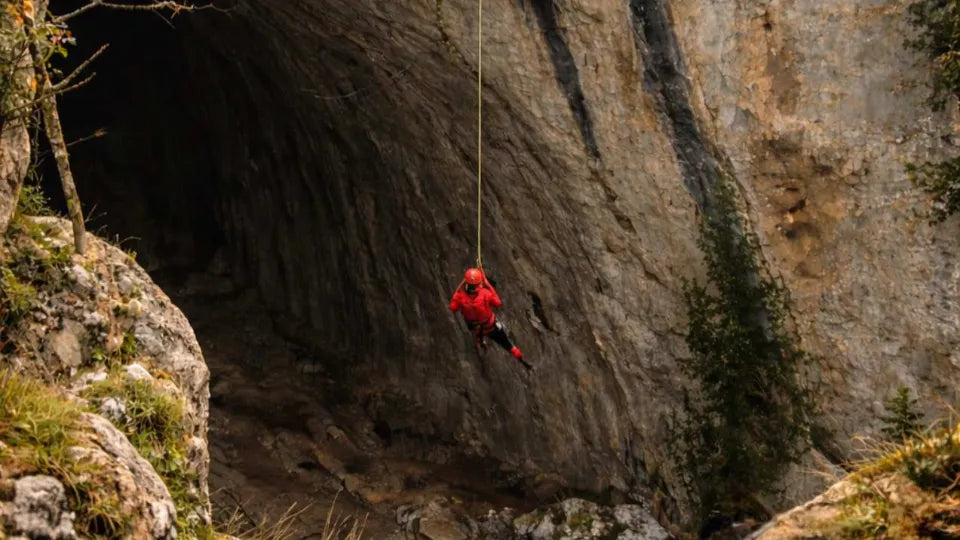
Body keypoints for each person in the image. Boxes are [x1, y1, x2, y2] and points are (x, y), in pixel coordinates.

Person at [449, 268, 530, 369]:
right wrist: (487, 283)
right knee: (508, 345)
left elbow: (452, 307)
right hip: (491, 326)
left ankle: (480, 346)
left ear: (467, 283)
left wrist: (461, 284)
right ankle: (522, 360)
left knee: (477, 336)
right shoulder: (484, 293)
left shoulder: (460, 297)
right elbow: (498, 303)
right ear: (479, 283)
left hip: (475, 327)